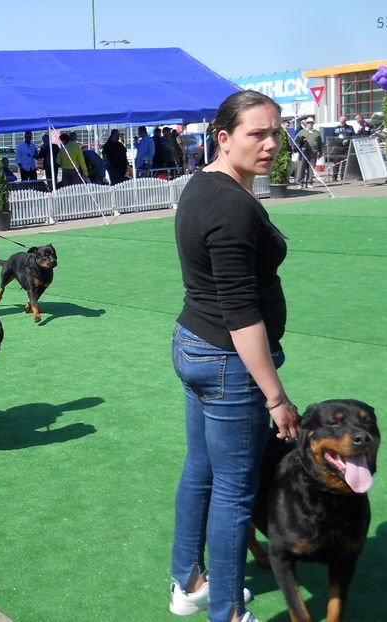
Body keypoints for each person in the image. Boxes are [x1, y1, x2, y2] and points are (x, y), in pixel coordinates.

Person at [170, 90, 301, 622]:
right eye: (257, 134)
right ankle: (225, 611)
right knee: (233, 492)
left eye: (276, 132)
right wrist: (276, 396)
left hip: (194, 345)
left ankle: (189, 583)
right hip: (227, 360)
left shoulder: (204, 183)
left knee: (201, 468)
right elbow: (241, 313)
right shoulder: (227, 204)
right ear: (223, 138)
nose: (271, 144)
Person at [294, 117, 322, 188]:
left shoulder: (317, 133)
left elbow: (319, 143)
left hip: (314, 152)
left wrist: (320, 152)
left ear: (313, 124)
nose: (310, 124)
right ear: (306, 124)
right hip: (304, 152)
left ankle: (309, 182)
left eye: (311, 123)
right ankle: (300, 183)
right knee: (302, 168)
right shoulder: (302, 132)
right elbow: (296, 141)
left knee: (311, 168)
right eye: (308, 123)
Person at [331, 115, 356, 182]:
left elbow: (353, 136)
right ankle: (334, 177)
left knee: (344, 164)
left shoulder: (350, 128)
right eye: (341, 121)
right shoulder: (336, 128)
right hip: (337, 148)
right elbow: (332, 138)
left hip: (346, 148)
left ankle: (343, 177)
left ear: (345, 121)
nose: (342, 122)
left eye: (343, 121)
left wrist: (348, 139)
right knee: (336, 163)